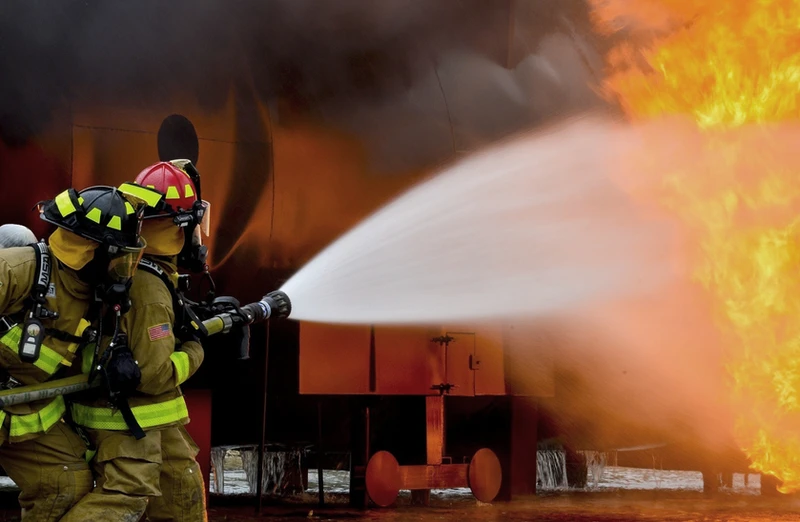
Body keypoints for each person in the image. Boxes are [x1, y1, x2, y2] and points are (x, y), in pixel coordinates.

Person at [63, 161, 210, 522]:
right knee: (126, 497)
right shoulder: (150, 287)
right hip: (126, 418)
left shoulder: (142, 267)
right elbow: (155, 373)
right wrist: (195, 349)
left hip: (147, 417)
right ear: (182, 225)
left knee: (182, 488)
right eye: (196, 222)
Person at [0, 185, 149, 521]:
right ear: (92, 250)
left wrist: (118, 355)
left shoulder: (94, 294)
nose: (124, 270)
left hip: (23, 407)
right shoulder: (15, 270)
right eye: (119, 258)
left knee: (64, 483)